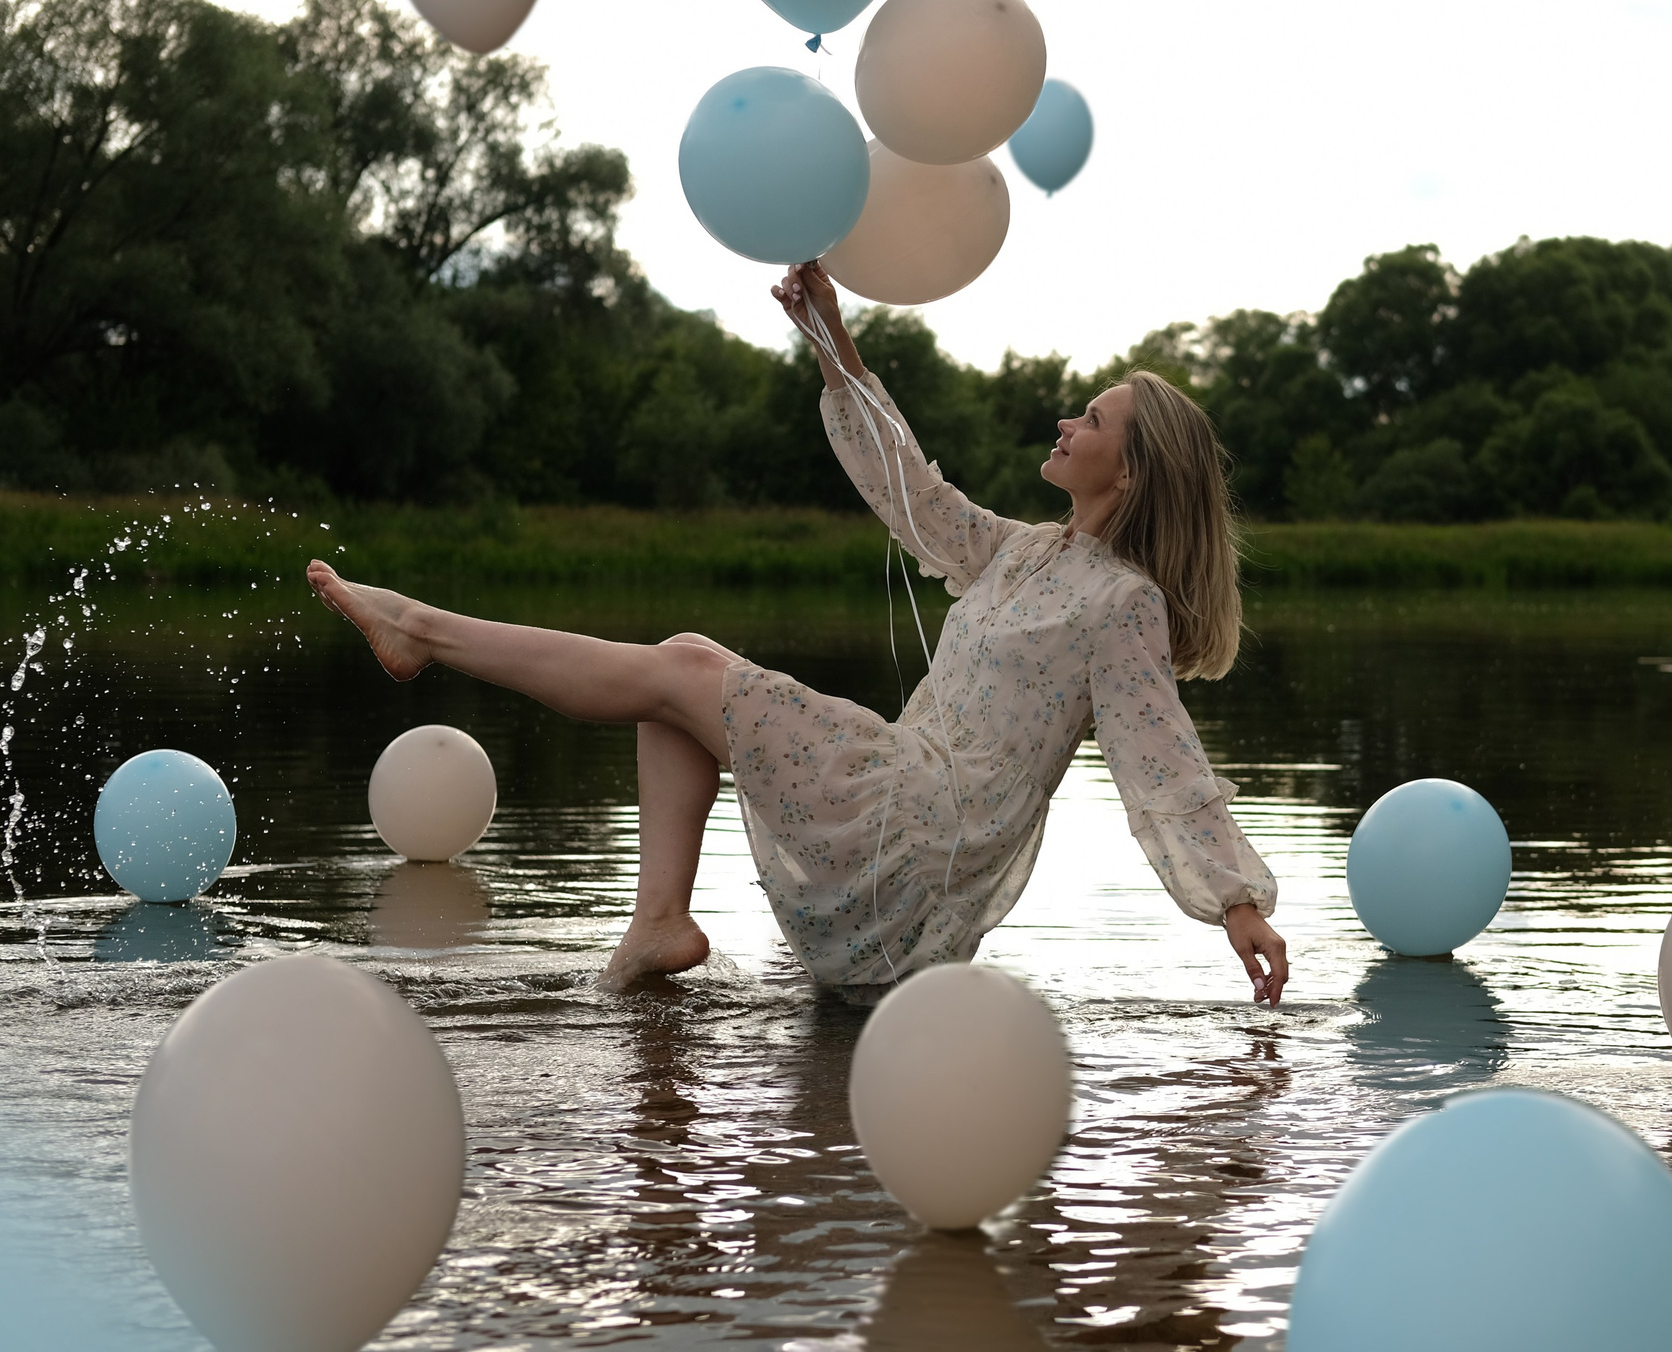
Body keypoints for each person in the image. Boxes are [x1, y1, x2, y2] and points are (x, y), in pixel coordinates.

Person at [307, 262, 1288, 1005]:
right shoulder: (1023, 551)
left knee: (684, 666)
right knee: (677, 690)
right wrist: (832, 335)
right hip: (898, 796)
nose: (1067, 422)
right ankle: (657, 921)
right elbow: (912, 488)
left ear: (1130, 473)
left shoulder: (1122, 605)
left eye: (1095, 420)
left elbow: (1162, 764)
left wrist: (1233, 899)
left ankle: (421, 629)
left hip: (921, 840)